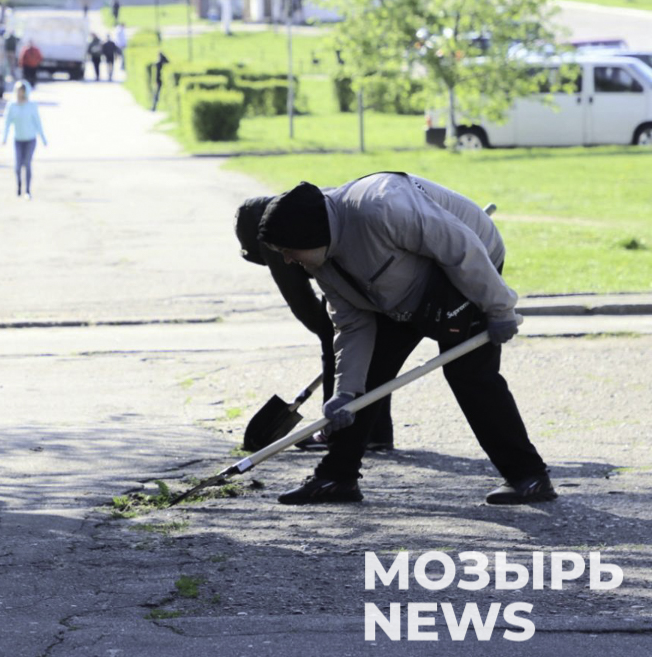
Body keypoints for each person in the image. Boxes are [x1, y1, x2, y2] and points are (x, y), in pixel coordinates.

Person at [257, 174, 555, 506]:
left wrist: (498, 307)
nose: (286, 260)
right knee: (368, 376)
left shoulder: (383, 207)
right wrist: (345, 392)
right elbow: (353, 325)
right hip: (395, 293)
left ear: (309, 234)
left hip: (466, 269)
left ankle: (528, 477)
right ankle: (336, 478)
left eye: (287, 250)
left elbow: (460, 249)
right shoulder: (320, 262)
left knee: (469, 374)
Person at [234, 198, 394, 452]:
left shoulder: (274, 237)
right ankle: (376, 432)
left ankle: (341, 434)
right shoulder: (299, 211)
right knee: (368, 355)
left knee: (340, 346)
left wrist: (332, 339)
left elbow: (300, 300)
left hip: (356, 277)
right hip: (373, 274)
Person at [0, 80, 47, 199]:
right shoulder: (12, 106)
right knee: (18, 165)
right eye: (19, 91)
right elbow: (7, 122)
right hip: (18, 139)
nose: (21, 93)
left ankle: (28, 190)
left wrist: (43, 138)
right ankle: (19, 185)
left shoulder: (31, 105)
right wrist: (4, 137)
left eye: (23, 91)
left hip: (30, 139)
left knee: (27, 163)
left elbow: (38, 122)